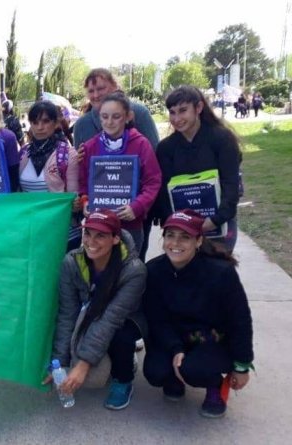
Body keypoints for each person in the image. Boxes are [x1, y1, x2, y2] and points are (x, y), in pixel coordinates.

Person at [143, 209, 254, 418]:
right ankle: (173, 379)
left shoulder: (221, 272)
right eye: (170, 235)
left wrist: (242, 364)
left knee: (194, 370)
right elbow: (155, 318)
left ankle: (214, 385)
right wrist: (175, 348)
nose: (175, 243)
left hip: (210, 338)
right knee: (155, 372)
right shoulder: (153, 270)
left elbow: (240, 319)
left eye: (185, 237)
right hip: (175, 336)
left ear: (199, 241)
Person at [48, 209, 146, 410]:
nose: (91, 241)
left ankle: (123, 378)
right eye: (88, 233)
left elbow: (111, 318)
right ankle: (108, 358)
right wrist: (59, 362)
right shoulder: (72, 261)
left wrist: (83, 365)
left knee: (117, 342)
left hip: (123, 320)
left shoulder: (134, 270)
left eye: (100, 235)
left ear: (116, 238)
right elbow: (68, 314)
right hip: (89, 315)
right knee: (78, 368)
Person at [72, 68, 160, 261]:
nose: (96, 95)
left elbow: (153, 174)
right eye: (91, 91)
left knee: (132, 269)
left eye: (101, 88)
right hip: (99, 221)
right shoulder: (84, 131)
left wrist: (139, 207)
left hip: (132, 218)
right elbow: (82, 179)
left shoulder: (140, 129)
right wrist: (85, 201)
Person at [152, 85, 242, 253]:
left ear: (199, 108)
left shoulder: (222, 139)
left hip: (218, 224)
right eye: (172, 112)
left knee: (218, 272)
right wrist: (171, 224)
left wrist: (215, 220)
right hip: (181, 228)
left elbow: (231, 184)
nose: (177, 118)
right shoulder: (165, 148)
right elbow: (163, 191)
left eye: (183, 110)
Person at [19, 100, 82, 251]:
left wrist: (76, 204)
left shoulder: (67, 154)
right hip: (33, 234)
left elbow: (73, 198)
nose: (40, 127)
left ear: (55, 123)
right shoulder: (23, 153)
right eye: (35, 122)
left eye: (45, 121)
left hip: (63, 235)